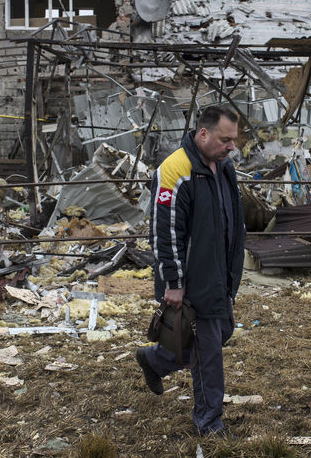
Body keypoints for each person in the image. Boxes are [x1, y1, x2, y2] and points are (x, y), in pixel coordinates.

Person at [136, 105, 246, 437]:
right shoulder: (175, 170)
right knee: (210, 350)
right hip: (192, 278)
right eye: (225, 139)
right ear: (203, 134)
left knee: (219, 334)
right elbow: (165, 232)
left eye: (234, 140)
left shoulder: (223, 167)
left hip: (219, 275)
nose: (231, 147)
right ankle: (209, 422)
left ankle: (156, 360)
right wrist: (174, 282)